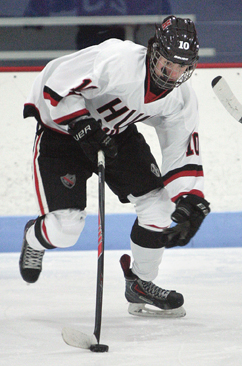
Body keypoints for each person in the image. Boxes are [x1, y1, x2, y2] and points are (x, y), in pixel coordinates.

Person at [19, 15, 210, 317]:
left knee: (159, 206)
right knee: (66, 230)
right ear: (153, 51)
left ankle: (140, 284)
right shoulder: (117, 59)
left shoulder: (180, 99)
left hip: (114, 135)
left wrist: (189, 202)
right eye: (167, 63)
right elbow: (54, 82)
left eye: (182, 67)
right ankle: (34, 236)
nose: (172, 73)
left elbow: (180, 149)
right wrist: (80, 122)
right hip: (62, 133)